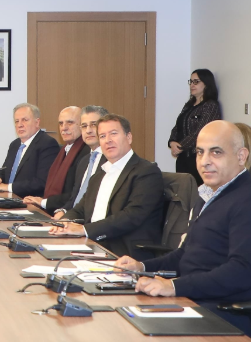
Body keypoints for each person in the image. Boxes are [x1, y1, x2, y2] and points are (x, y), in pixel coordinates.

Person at [115, 121, 251, 336]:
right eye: (200, 152)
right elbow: (185, 255)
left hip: (223, 312)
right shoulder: (208, 194)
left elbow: (242, 271)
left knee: (133, 335)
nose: (205, 161)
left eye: (216, 152)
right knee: (121, 316)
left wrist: (174, 287)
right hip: (192, 300)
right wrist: (141, 267)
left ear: (241, 156)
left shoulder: (245, 199)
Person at [50, 114, 164, 261]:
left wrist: (84, 229)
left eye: (113, 134)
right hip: (91, 244)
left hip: (123, 253)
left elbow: (132, 216)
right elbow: (80, 209)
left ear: (129, 137)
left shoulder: (146, 172)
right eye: (102, 136)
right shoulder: (99, 175)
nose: (108, 140)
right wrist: (64, 223)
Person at [22, 107, 88, 214]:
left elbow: (77, 194)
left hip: (68, 213)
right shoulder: (65, 149)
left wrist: (44, 202)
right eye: (61, 123)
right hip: (53, 207)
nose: (64, 128)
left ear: (82, 125)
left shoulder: (86, 153)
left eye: (70, 123)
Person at [48, 105, 109, 219]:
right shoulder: (84, 161)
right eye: (84, 126)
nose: (88, 130)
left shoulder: (110, 161)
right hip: (73, 219)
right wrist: (63, 211)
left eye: (93, 124)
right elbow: (75, 199)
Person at [0, 103, 60, 197]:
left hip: (29, 200)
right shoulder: (14, 144)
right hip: (9, 197)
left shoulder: (47, 143)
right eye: (17, 121)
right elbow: (5, 172)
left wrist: (8, 187)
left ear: (37, 122)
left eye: (25, 120)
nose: (20, 125)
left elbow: (42, 182)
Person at [169, 69, 222, 185]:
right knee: (183, 190)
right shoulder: (188, 105)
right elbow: (177, 126)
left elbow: (201, 132)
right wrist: (172, 142)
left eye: (196, 82)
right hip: (183, 158)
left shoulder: (210, 105)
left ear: (206, 84)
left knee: (196, 191)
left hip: (198, 158)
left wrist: (181, 146)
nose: (192, 85)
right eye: (191, 81)